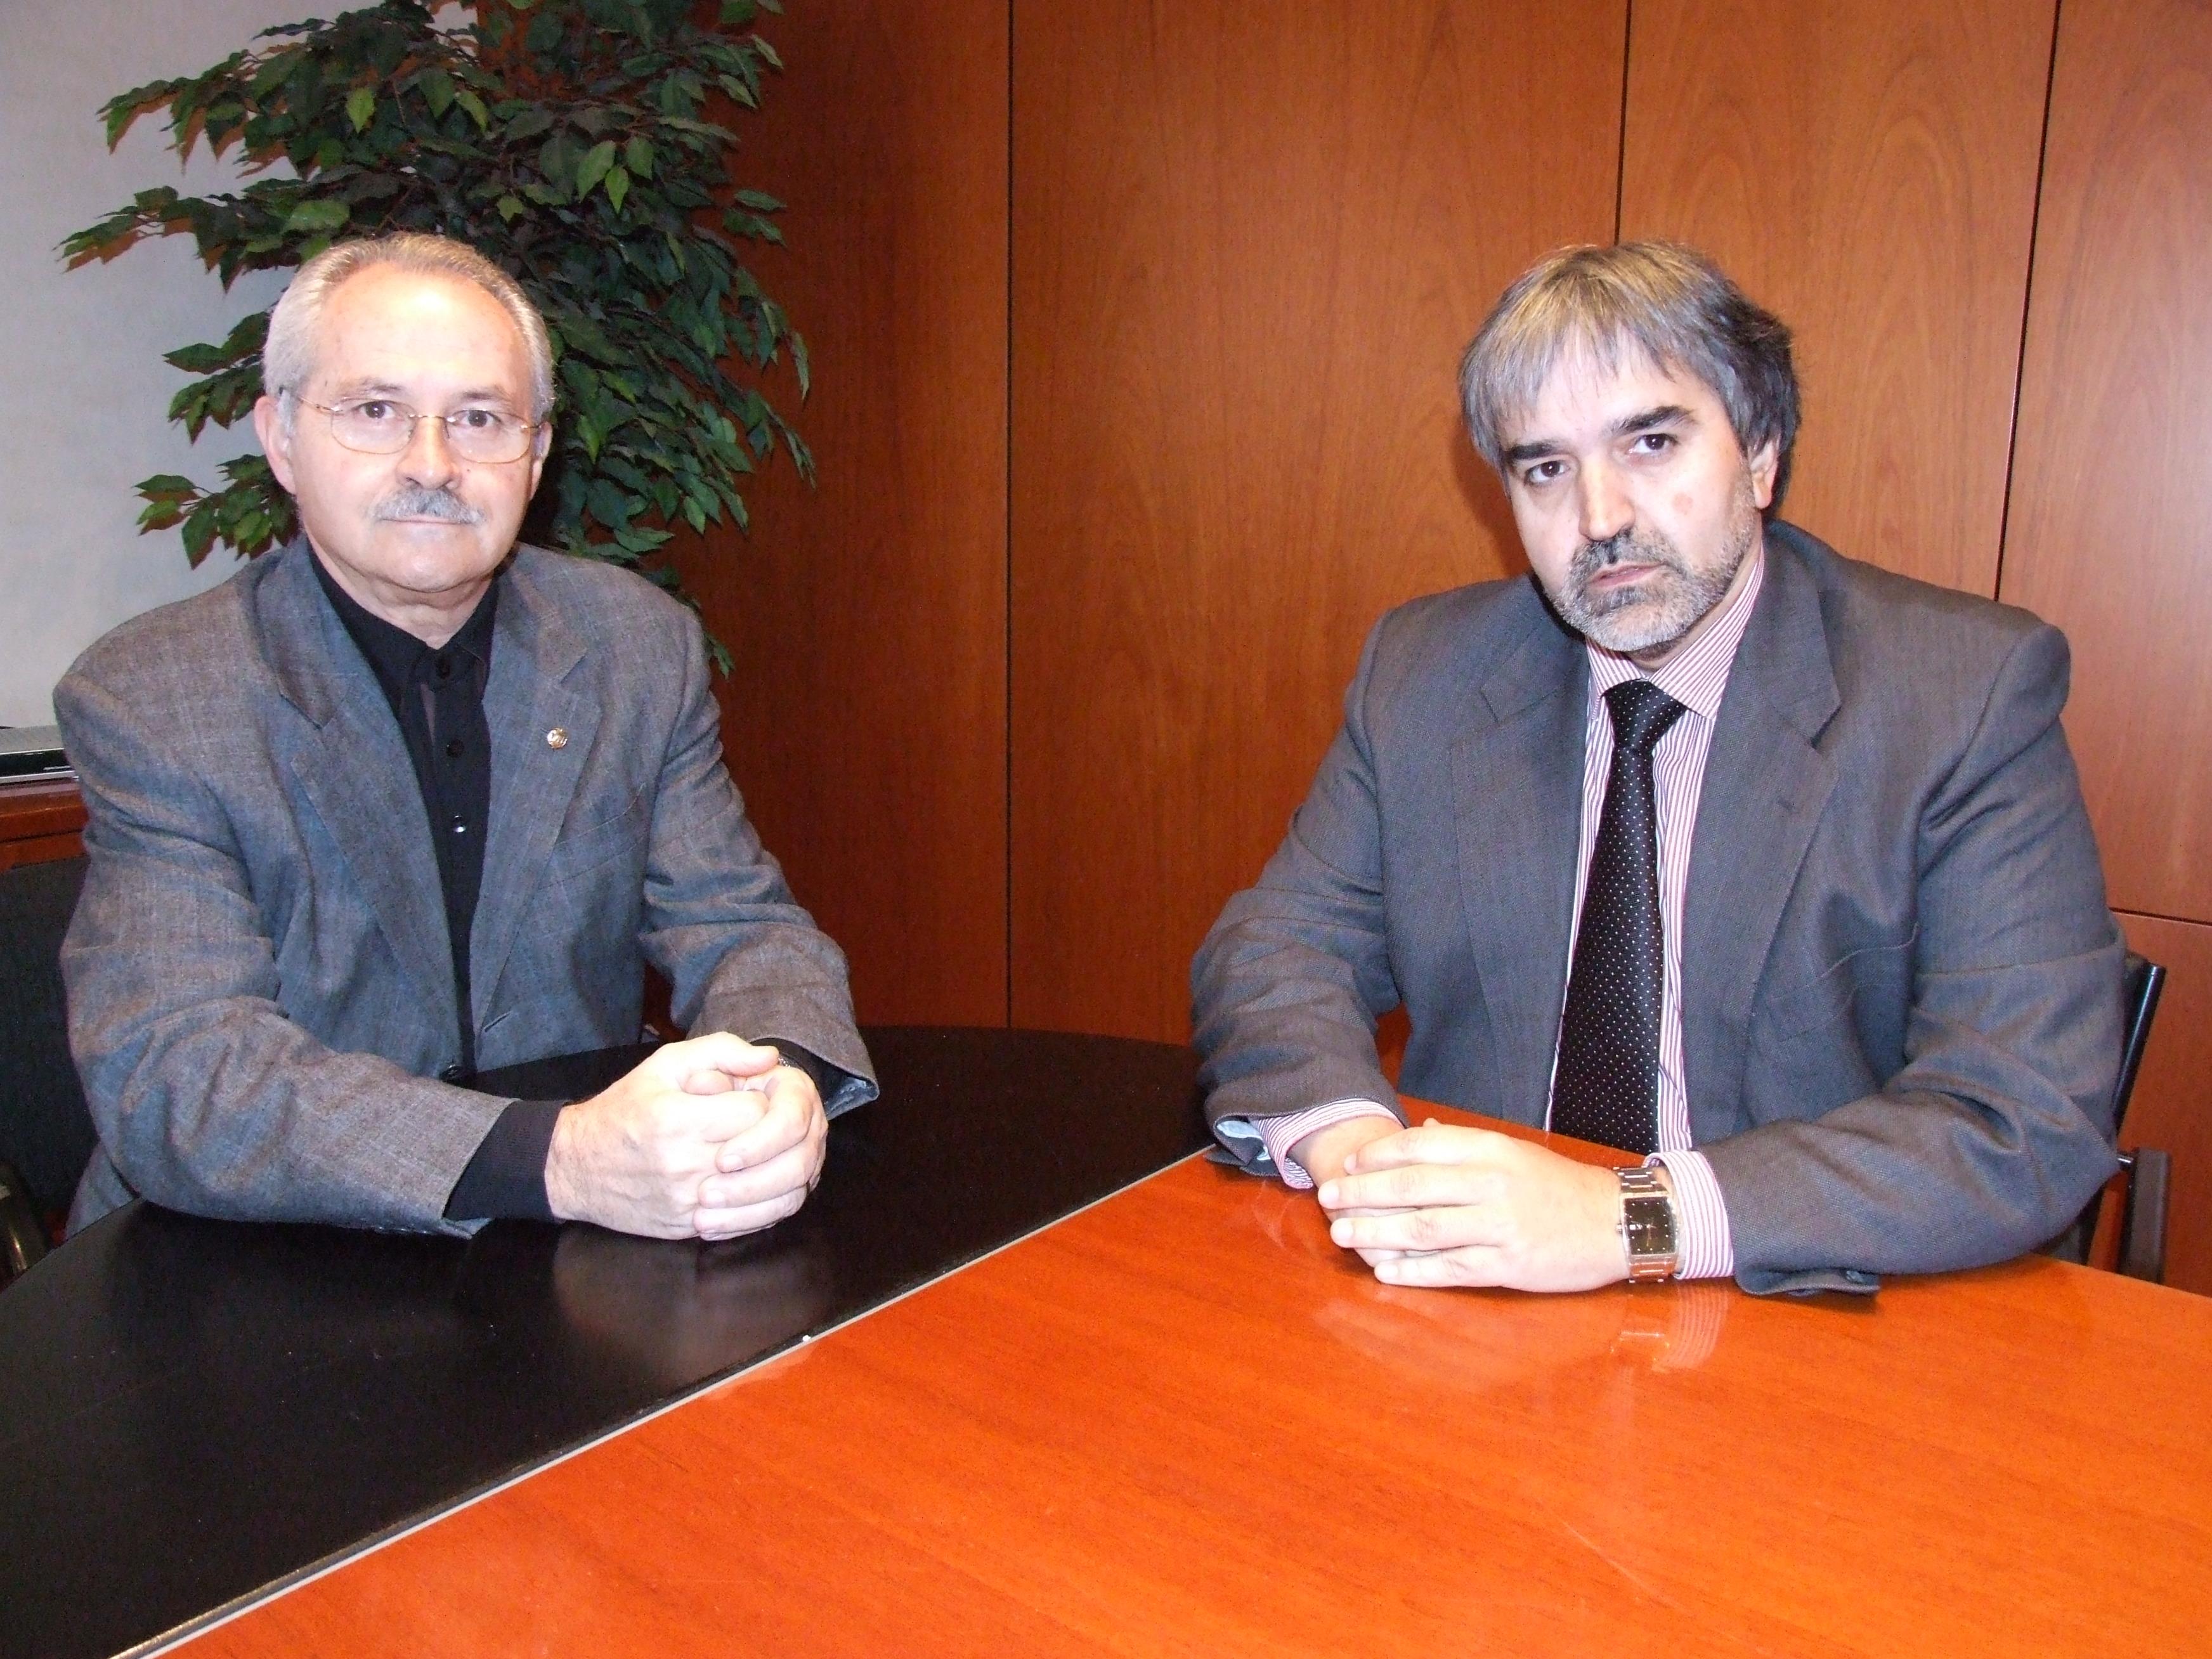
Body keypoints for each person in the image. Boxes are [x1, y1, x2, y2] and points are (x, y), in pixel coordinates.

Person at [1191, 241, 2123, 1296]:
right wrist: (1366, 1161)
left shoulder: (1959, 694)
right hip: (1467, 1305)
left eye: (1651, 442)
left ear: (1760, 453)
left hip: (1794, 1317)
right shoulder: (1429, 673)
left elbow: (2023, 1116)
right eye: (1546, 469)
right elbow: (1276, 950)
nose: (1601, 519)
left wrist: (1629, 1218)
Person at [58, 232, 875, 1242]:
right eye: (375, 410)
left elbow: (742, 925)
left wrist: (780, 1079)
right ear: (281, 439)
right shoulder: (157, 695)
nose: (433, 464)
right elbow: (181, 1072)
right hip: (244, 1258)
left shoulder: (633, 644)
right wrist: (557, 1157)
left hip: (569, 1257)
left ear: (535, 456)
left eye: (481, 419)